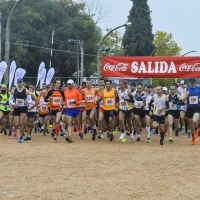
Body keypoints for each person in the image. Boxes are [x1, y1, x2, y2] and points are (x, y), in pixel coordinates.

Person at [9, 78, 32, 143]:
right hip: (16, 108)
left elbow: (30, 100)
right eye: (18, 82)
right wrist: (13, 104)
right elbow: (10, 100)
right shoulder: (13, 90)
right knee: (16, 124)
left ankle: (21, 137)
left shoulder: (26, 91)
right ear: (17, 83)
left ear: (23, 83)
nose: (19, 83)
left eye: (20, 82)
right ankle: (22, 128)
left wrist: (26, 101)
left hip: (23, 108)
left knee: (21, 123)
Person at [186, 78, 200, 144]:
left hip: (197, 107)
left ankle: (196, 129)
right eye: (191, 83)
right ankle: (193, 138)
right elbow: (184, 98)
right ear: (189, 83)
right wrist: (186, 95)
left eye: (193, 83)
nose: (192, 84)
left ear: (195, 82)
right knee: (191, 123)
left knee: (194, 120)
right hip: (189, 107)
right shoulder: (187, 89)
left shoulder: (198, 87)